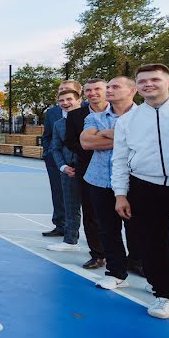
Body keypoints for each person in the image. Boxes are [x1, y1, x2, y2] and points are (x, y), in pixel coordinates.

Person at [113, 63, 169, 319]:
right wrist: (121, 194)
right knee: (153, 245)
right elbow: (120, 159)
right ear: (137, 87)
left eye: (155, 79)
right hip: (144, 187)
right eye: (143, 81)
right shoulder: (128, 120)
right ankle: (163, 294)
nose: (148, 84)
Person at [80, 75, 143, 288]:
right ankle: (116, 273)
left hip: (135, 181)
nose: (109, 90)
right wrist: (123, 138)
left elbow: (143, 142)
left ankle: (151, 273)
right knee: (107, 229)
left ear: (131, 90)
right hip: (99, 180)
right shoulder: (95, 116)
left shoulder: (143, 116)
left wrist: (107, 135)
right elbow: (86, 142)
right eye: (108, 86)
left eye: (115, 86)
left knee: (140, 229)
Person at [64, 79, 107, 269]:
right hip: (87, 169)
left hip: (122, 170)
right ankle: (98, 254)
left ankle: (135, 259)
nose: (93, 93)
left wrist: (97, 143)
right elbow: (72, 142)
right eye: (89, 90)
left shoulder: (122, 113)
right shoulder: (75, 116)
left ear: (107, 91)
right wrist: (95, 148)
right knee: (91, 214)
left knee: (129, 216)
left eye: (97, 89)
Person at [41, 80, 83, 237]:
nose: (64, 96)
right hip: (57, 161)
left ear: (78, 95)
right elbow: (48, 136)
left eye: (68, 91)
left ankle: (86, 235)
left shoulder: (87, 111)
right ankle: (60, 225)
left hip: (81, 163)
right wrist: (48, 154)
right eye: (61, 91)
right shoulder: (52, 113)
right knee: (58, 193)